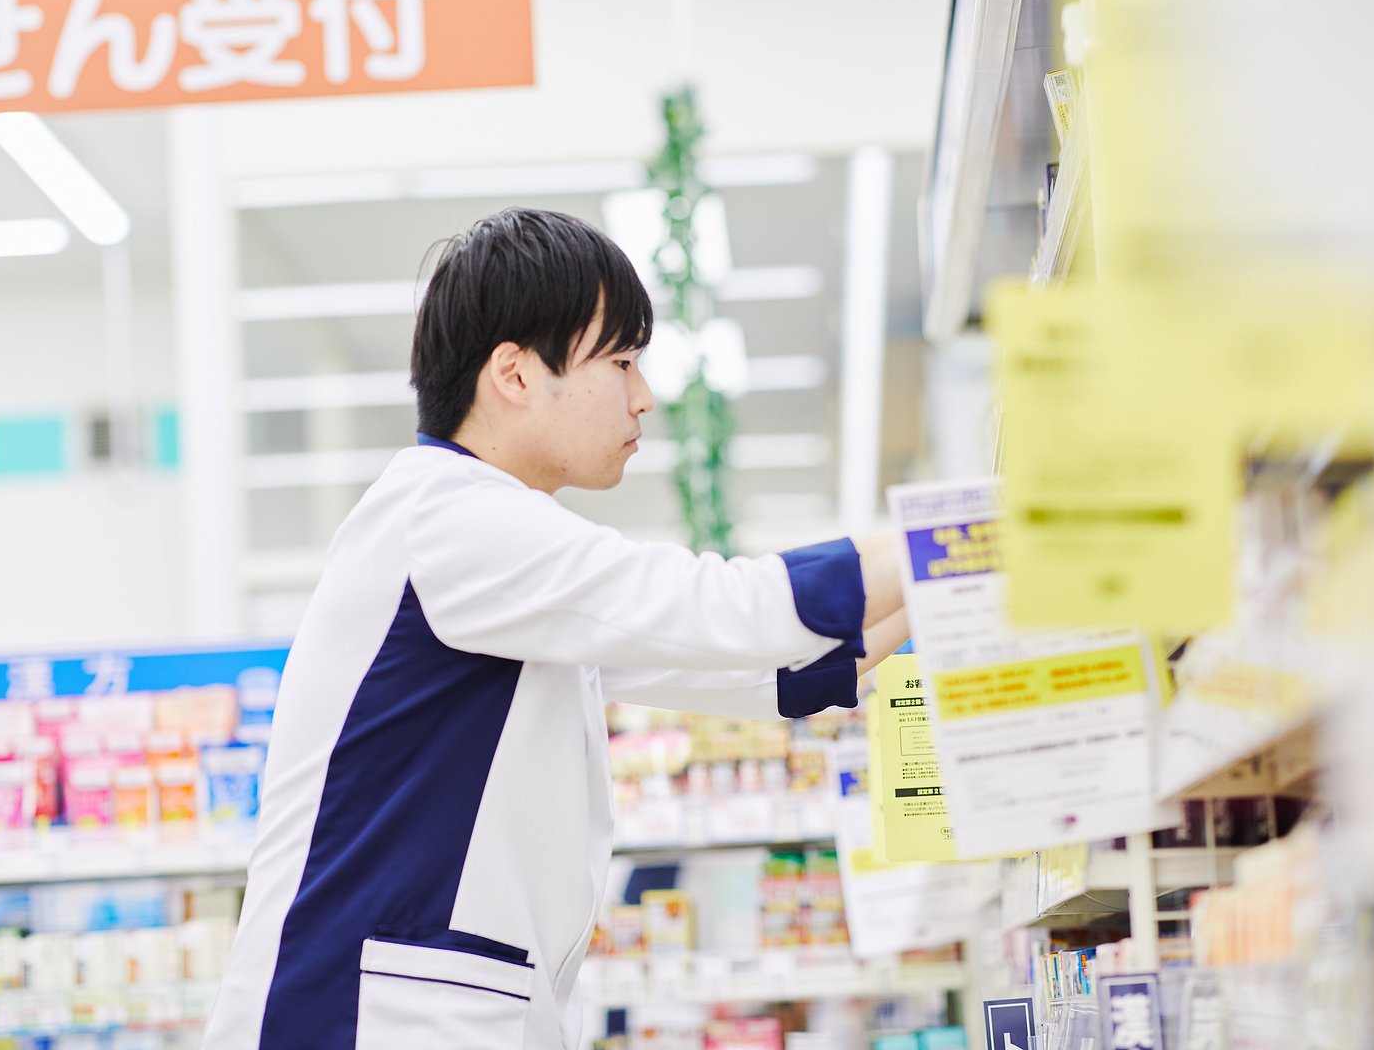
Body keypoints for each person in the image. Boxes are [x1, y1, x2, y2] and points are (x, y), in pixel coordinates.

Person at [202, 208, 911, 1050]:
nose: (644, 397)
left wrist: (958, 580)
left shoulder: (503, 560)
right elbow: (725, 606)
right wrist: (963, 532)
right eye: (621, 361)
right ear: (515, 373)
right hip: (349, 1019)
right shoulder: (451, 519)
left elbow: (778, 669)